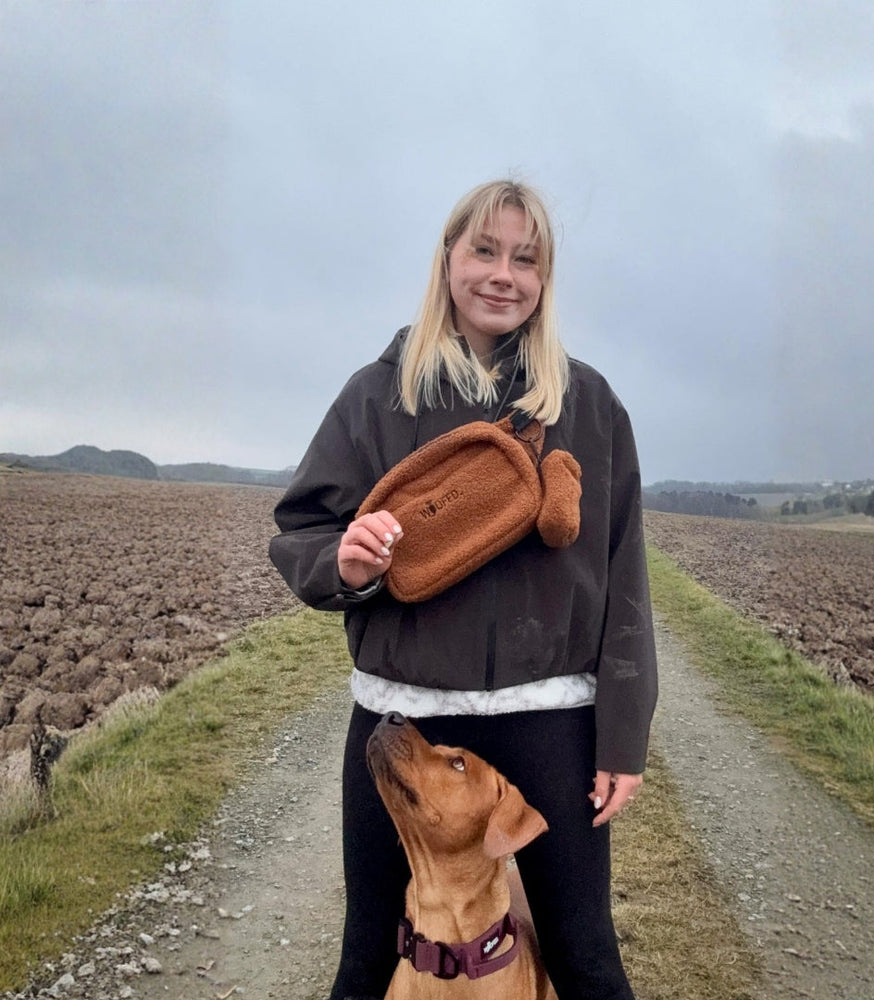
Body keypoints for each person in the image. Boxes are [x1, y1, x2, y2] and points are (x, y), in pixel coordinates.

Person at [269, 179, 658, 1000]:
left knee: (585, 955)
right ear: (448, 257)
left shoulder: (588, 404)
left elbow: (626, 582)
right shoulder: (378, 395)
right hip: (401, 715)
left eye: (527, 258)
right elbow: (301, 530)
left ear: (545, 278)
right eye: (485, 250)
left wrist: (622, 738)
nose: (503, 275)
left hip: (551, 722)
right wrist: (342, 562)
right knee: (368, 958)